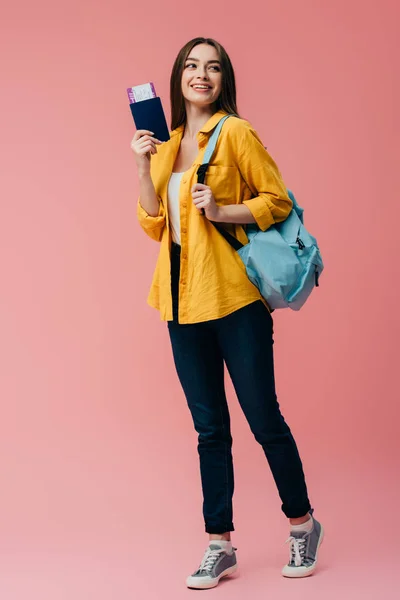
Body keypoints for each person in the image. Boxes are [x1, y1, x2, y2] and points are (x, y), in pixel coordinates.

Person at [131, 37, 324, 590]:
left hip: (235, 301)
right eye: (192, 65)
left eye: (213, 67)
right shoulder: (165, 145)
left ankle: (303, 524)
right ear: (178, 76)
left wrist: (219, 209)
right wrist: (144, 166)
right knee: (209, 429)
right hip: (179, 303)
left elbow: (278, 201)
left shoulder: (235, 133)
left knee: (263, 419)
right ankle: (220, 544)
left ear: (223, 80)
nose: (201, 74)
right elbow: (151, 224)